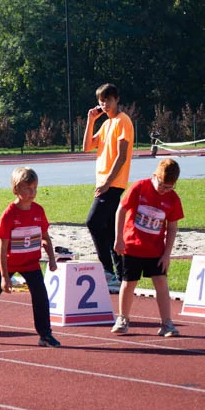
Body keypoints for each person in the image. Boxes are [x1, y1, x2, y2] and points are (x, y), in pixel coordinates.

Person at [0, 167, 61, 348]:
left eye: (34, 189)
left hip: (30, 262)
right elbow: (2, 246)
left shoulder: (39, 211)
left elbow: (45, 237)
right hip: (6, 262)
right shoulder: (9, 215)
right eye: (27, 189)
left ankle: (45, 334)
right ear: (16, 190)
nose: (32, 193)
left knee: (40, 296)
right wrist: (4, 276)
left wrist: (52, 260)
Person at [111, 157, 184, 337]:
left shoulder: (173, 199)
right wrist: (118, 238)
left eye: (169, 187)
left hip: (156, 249)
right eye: (161, 185)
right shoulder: (139, 187)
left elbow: (172, 227)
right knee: (129, 283)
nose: (163, 190)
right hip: (133, 245)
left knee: (161, 282)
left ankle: (167, 323)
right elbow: (121, 210)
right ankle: (123, 319)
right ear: (154, 176)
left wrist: (167, 254)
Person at [82, 83, 135, 293]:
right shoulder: (106, 124)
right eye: (101, 101)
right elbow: (86, 147)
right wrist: (91, 120)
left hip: (112, 184)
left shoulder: (123, 121)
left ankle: (107, 270)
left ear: (117, 99)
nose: (104, 104)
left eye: (108, 100)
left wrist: (107, 182)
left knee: (93, 222)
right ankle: (121, 276)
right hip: (104, 184)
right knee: (112, 231)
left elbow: (122, 156)